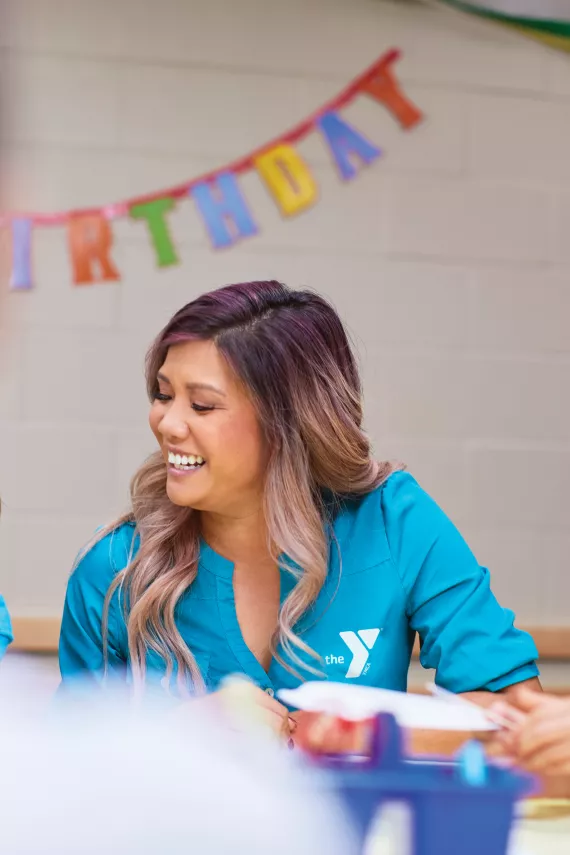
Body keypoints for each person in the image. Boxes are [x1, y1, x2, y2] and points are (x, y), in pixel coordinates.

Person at [59, 280, 540, 741]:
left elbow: (517, 713)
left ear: (289, 423)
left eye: (202, 405)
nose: (167, 423)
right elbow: (66, 763)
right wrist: (172, 737)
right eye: (164, 395)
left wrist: (354, 735)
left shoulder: (393, 521)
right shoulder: (113, 568)